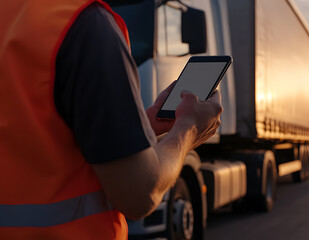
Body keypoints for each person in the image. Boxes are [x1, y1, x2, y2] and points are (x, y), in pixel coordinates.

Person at [0, 0, 222, 239]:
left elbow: (28, 139)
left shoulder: (12, 16)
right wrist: (188, 130)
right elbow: (139, 193)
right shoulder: (85, 25)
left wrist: (136, 128)